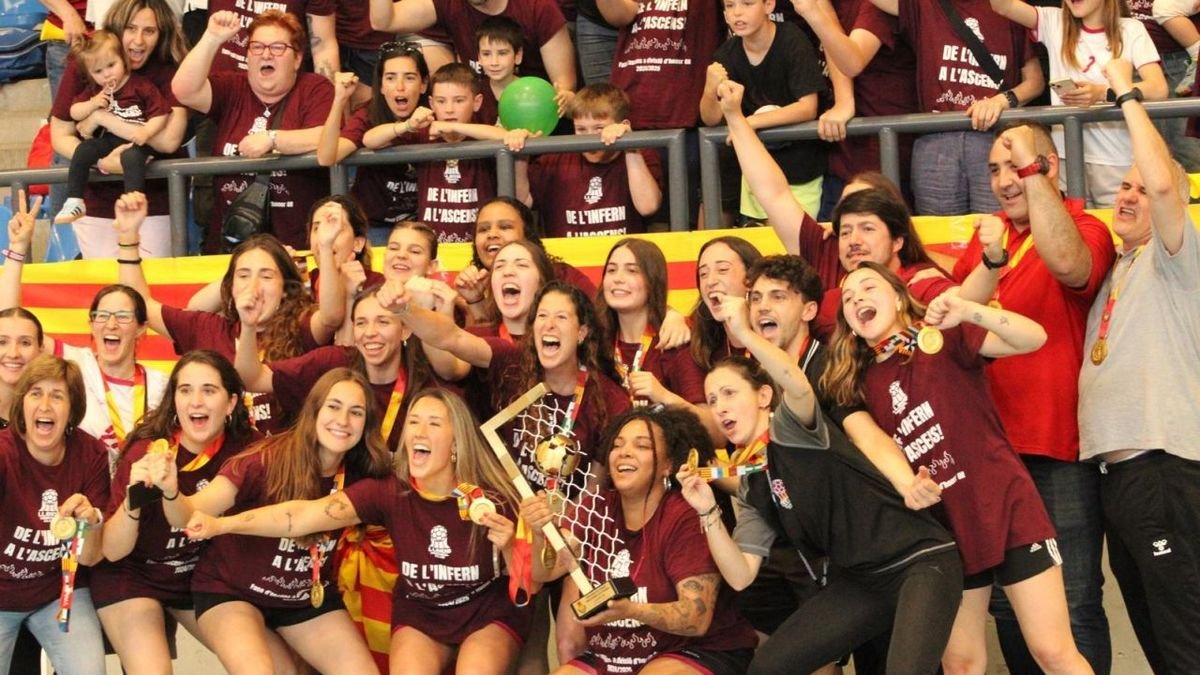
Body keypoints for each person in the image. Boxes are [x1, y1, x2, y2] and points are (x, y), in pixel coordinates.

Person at [826, 262, 1093, 674]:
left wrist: (970, 310)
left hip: (1007, 510)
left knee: (1053, 652)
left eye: (868, 286)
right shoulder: (856, 383)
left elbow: (1034, 337)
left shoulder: (945, 336)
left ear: (898, 298)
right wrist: (906, 484)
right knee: (961, 664)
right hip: (948, 529)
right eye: (848, 297)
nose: (858, 297)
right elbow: (869, 440)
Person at [679, 289, 961, 673]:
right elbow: (741, 575)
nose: (721, 406)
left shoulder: (790, 428)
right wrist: (708, 510)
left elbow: (796, 384)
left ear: (764, 396)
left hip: (919, 561)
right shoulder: (750, 483)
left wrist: (746, 334)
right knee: (769, 667)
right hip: (862, 582)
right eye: (712, 400)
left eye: (729, 393)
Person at [186, 389, 533, 674]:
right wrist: (222, 524)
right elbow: (300, 517)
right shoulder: (388, 491)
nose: (419, 432)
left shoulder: (494, 498)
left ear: (456, 440)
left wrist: (510, 547)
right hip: (422, 614)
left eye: (433, 423)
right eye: (413, 422)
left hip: (485, 614)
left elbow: (538, 577)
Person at [950, 121, 1116, 675]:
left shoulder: (1085, 225)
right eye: (996, 169)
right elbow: (955, 327)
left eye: (1017, 164)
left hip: (1054, 449)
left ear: (1049, 167)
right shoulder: (987, 237)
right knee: (1007, 607)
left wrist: (1033, 177)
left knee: (1072, 602)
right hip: (990, 455)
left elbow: (1071, 267)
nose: (1004, 180)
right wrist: (989, 260)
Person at [139, 369, 389, 673]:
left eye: (356, 412)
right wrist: (171, 491)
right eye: (333, 407)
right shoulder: (265, 459)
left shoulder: (366, 474)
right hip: (231, 592)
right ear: (313, 411)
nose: (343, 421)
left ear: (367, 424)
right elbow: (191, 514)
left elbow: (297, 520)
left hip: (303, 598)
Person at [1076, 58, 1200, 674]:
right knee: (1157, 641)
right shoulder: (1118, 271)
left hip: (1164, 470)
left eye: (1139, 188)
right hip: (1118, 479)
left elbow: (1162, 185)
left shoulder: (1178, 256)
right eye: (1119, 187)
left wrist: (1126, 96)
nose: (1127, 194)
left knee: (1184, 642)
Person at [522, 405, 758, 674]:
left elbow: (696, 618)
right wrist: (541, 533)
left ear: (668, 464)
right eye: (617, 444)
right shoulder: (596, 508)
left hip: (691, 650)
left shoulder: (685, 515)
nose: (624, 452)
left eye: (642, 445)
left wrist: (632, 610)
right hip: (613, 654)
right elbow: (545, 572)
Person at [720, 79, 960, 339]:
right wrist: (734, 115)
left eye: (867, 227)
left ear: (897, 239)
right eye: (845, 229)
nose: (853, 240)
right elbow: (772, 192)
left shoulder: (921, 279)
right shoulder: (826, 252)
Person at [115, 191, 347, 434]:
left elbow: (331, 316)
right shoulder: (209, 329)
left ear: (285, 290)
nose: (253, 286)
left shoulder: (301, 326)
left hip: (283, 464)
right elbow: (140, 305)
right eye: (243, 275)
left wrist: (326, 246)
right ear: (230, 285)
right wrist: (128, 238)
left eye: (266, 276)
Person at [93, 350, 263, 674]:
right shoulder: (149, 450)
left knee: (271, 663)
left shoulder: (248, 449)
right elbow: (112, 552)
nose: (195, 401)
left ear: (230, 404)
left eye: (208, 390)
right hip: (133, 575)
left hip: (199, 576)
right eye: (185, 390)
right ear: (173, 400)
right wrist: (135, 496)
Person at [172, 9, 335, 252]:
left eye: (278, 47)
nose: (266, 54)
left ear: (298, 58)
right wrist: (212, 38)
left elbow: (329, 136)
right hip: (232, 246)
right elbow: (183, 90)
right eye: (257, 47)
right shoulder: (232, 86)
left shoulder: (315, 88)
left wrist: (273, 139)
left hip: (294, 246)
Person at [868, 0, 1045, 216]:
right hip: (936, 140)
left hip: (995, 138)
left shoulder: (1009, 7)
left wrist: (1000, 101)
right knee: (940, 239)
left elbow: (1035, 81)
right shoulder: (926, 5)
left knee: (1000, 230)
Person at [989, 0, 1167, 207]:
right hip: (1066, 159)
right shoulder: (1053, 21)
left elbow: (1158, 88)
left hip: (1116, 160)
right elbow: (1001, 5)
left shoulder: (1131, 29)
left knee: (1118, 233)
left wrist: (1103, 93)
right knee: (1074, 232)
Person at [48, 0, 189, 258]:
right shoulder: (87, 62)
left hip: (153, 200)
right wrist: (103, 161)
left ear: (162, 34)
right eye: (130, 29)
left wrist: (105, 120)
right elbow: (60, 135)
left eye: (149, 31)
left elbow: (169, 141)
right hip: (97, 198)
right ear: (115, 29)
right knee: (105, 289)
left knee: (147, 285)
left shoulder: (170, 70)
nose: (138, 41)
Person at [0, 355, 110, 674]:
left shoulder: (90, 454)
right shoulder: (5, 452)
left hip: (59, 592)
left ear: (72, 410)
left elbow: (90, 557)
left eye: (57, 395)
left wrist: (87, 524)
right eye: (36, 393)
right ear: (21, 405)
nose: (45, 405)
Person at [699, 0, 827, 221]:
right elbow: (710, 119)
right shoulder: (727, 54)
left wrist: (749, 122)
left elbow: (808, 107)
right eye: (729, 6)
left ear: (769, 5)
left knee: (799, 245)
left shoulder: (791, 39)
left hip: (801, 168)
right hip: (755, 171)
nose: (737, 13)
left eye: (747, 4)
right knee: (763, 248)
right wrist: (710, 89)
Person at [789, 0, 919, 217]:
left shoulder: (878, 6)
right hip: (841, 155)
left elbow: (852, 60)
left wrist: (844, 102)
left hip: (884, 160)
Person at [594, 239, 714, 433]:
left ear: (652, 280)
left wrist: (663, 396)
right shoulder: (595, 344)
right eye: (611, 270)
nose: (618, 278)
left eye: (632, 270)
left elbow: (715, 432)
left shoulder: (674, 342)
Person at [514, 83, 664, 238]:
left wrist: (630, 144)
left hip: (620, 259)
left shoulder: (641, 155)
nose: (589, 137)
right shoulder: (554, 159)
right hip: (566, 260)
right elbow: (522, 203)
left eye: (599, 128)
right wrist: (520, 152)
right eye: (581, 129)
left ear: (623, 125)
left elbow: (648, 206)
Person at [317, 42, 430, 243]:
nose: (400, 86)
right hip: (373, 226)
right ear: (381, 86)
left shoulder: (434, 112)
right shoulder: (368, 114)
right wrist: (339, 100)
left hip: (420, 224)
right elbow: (327, 157)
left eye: (410, 77)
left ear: (423, 85)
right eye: (390, 78)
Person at [54, 29, 170, 225]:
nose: (107, 74)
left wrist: (147, 132)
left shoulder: (141, 86)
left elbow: (162, 114)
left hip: (138, 142)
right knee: (84, 150)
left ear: (123, 60)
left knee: (131, 157)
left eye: (111, 65)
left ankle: (133, 203)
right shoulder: (95, 91)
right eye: (98, 71)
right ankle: (75, 199)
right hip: (110, 140)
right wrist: (92, 104)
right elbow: (73, 112)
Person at [367, 0, 576, 101]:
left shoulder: (537, 7)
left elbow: (564, 85)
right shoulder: (450, 3)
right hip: (481, 115)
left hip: (535, 114)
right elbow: (383, 21)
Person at [689, 235, 763, 370]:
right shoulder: (700, 337)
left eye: (722, 270)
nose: (710, 282)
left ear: (750, 279)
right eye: (703, 274)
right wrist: (671, 315)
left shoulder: (773, 329)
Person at [475, 16, 526, 124]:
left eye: (502, 53)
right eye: (486, 54)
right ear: (479, 57)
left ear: (518, 56)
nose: (494, 62)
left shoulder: (529, 91)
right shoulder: (474, 92)